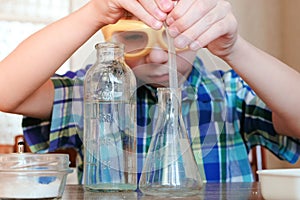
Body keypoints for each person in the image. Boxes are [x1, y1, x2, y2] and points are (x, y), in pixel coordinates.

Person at [1, 0, 300, 184]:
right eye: (134, 37)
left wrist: (234, 49)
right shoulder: (93, 94)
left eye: (174, 39)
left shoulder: (230, 92)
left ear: (202, 36)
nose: (157, 57)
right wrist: (94, 12)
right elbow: (6, 91)